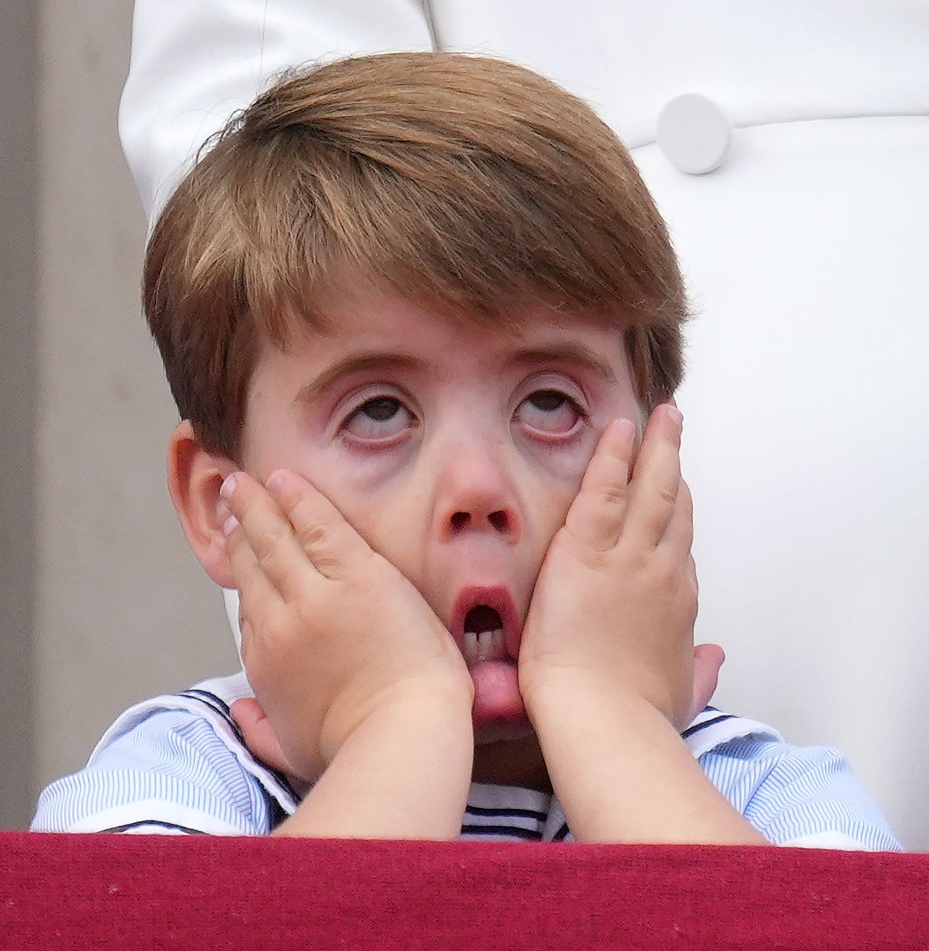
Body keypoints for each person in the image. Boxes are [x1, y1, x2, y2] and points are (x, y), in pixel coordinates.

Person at [33, 53, 898, 846]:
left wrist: (612, 721)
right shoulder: (180, 778)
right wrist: (396, 725)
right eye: (376, 412)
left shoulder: (764, 795)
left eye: (550, 402)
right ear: (223, 509)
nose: (478, 487)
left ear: (653, 474)